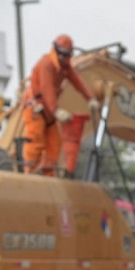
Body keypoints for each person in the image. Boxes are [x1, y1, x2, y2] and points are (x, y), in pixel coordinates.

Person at [22, 34, 99, 176]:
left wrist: (91, 99)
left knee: (54, 143)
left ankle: (48, 175)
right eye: (62, 55)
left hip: (48, 112)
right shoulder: (46, 64)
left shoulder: (64, 67)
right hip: (36, 109)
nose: (65, 58)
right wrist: (56, 110)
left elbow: (77, 81)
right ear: (56, 51)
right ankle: (29, 173)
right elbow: (47, 89)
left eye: (67, 55)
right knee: (36, 142)